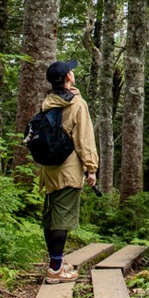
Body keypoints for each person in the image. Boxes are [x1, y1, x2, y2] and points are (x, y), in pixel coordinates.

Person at [37, 59, 99, 282]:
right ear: (67, 78)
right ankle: (55, 270)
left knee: (51, 217)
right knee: (62, 219)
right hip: (69, 168)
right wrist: (91, 168)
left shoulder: (48, 102)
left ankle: (56, 262)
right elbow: (84, 138)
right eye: (70, 71)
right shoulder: (77, 104)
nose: (73, 72)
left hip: (49, 169)